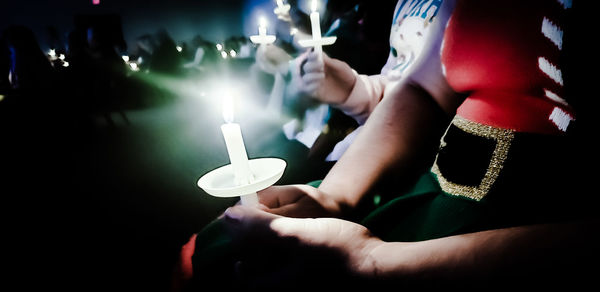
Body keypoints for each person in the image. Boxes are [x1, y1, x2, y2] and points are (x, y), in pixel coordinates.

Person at [179, 0, 597, 290]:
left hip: (510, 238)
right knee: (219, 249)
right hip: (434, 190)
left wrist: (374, 266)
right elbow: (422, 86)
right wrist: (333, 198)